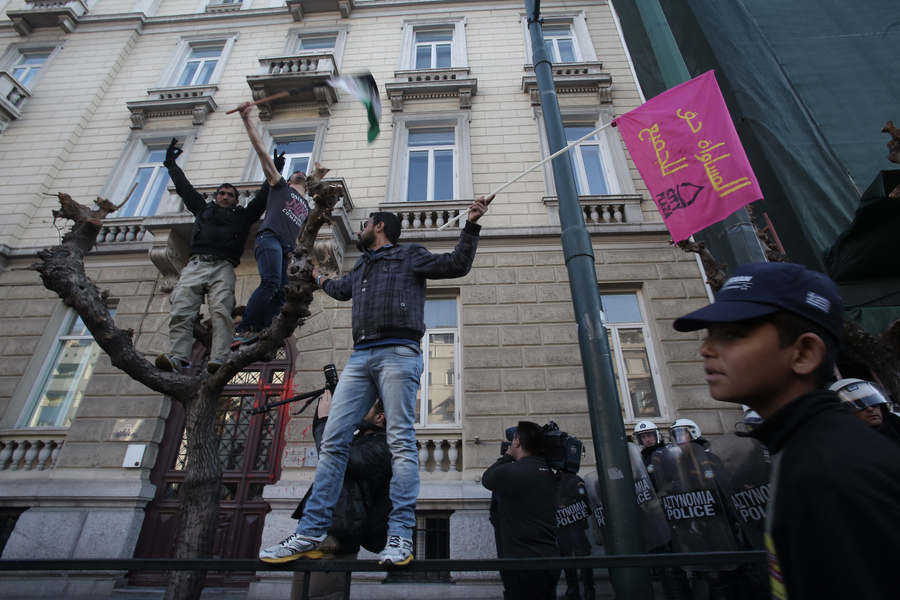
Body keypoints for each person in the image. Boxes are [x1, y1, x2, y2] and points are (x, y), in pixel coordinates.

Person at [259, 195, 492, 566]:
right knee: (333, 441)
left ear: (379, 226)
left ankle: (400, 536)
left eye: (365, 224)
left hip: (398, 352)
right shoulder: (363, 265)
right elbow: (340, 289)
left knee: (400, 442)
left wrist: (473, 223)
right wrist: (316, 275)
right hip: (360, 356)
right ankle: (311, 531)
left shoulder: (410, 254)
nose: (360, 230)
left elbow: (457, 264)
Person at [673, 261, 900, 600]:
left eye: (733, 334)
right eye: (710, 335)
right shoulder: (802, 450)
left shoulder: (830, 475)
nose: (705, 349)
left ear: (804, 353)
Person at [154, 138, 269, 375]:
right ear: (216, 196)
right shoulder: (202, 209)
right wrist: (171, 165)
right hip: (195, 264)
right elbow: (184, 188)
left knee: (221, 312)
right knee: (181, 309)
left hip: (223, 267)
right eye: (222, 193)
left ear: (236, 199)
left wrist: (271, 171)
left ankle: (219, 358)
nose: (225, 197)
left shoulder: (243, 216)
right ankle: (178, 358)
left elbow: (262, 198)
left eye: (230, 194)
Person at [282, 394, 392, 600]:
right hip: (313, 534)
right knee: (299, 595)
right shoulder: (357, 439)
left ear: (380, 417)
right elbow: (328, 443)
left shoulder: (383, 446)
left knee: (322, 595)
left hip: (337, 539)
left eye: (365, 405)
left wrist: (326, 421)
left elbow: (336, 458)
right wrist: (325, 411)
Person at [234, 102, 311, 344]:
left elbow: (300, 238)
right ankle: (245, 328)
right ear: (288, 180)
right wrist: (247, 120)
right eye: (296, 172)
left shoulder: (308, 208)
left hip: (287, 249)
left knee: (282, 294)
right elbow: (261, 153)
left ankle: (261, 332)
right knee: (270, 282)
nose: (301, 172)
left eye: (304, 173)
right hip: (270, 239)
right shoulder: (279, 187)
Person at [482, 421, 561, 600]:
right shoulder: (548, 472)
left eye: (513, 441)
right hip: (550, 557)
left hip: (524, 562)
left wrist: (507, 455)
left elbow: (488, 478)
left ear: (517, 442)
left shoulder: (514, 472)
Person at [555, 470, 595, 600]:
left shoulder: (576, 480)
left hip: (575, 525)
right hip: (562, 526)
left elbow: (583, 500)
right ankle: (573, 588)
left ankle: (588, 589)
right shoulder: (555, 480)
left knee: (581, 554)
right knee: (566, 555)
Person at [831, 378, 900, 446]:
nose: (870, 409)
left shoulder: (896, 426)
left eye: (874, 403)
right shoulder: (846, 446)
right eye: (860, 405)